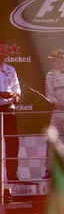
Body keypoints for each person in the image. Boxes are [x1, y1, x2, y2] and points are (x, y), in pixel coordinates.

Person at [0, 41, 21, 182]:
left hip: (8, 110)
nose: (4, 55)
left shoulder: (10, 69)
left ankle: (12, 175)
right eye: (2, 52)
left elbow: (17, 87)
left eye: (6, 52)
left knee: (13, 142)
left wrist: (17, 95)